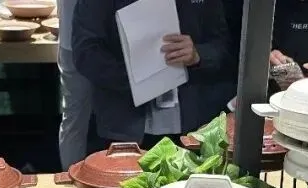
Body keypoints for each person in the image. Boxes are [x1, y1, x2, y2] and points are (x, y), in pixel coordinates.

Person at [72, 0, 237, 149]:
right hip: (126, 125)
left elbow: (223, 46)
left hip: (194, 124)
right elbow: (86, 53)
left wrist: (199, 54)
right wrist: (136, 80)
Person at [55, 0, 93, 170]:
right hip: (108, 40)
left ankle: (71, 178)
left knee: (74, 119)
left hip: (71, 36)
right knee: (119, 117)